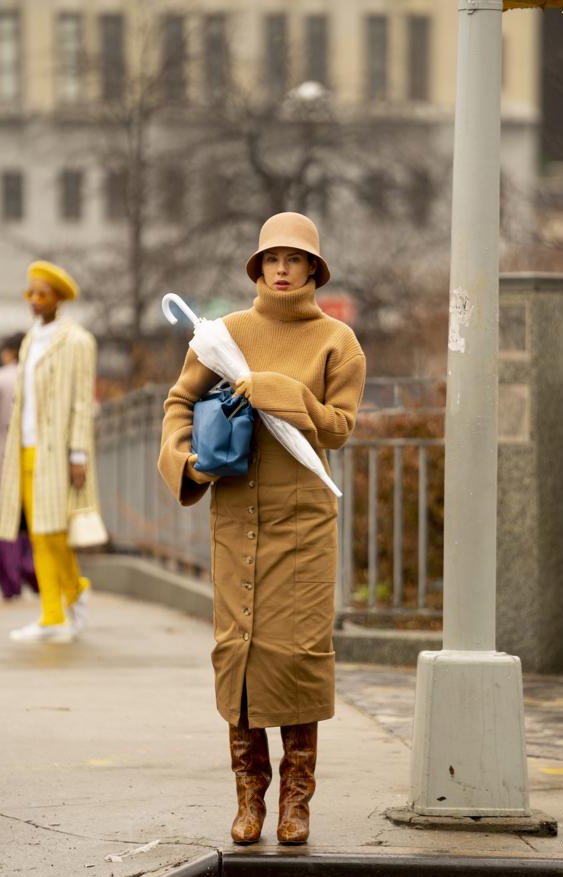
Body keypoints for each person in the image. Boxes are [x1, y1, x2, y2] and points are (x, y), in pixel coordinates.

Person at [158, 212, 366, 845]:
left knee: (299, 657)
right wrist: (188, 460)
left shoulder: (338, 341)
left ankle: (296, 805)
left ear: (312, 269)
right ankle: (249, 799)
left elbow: (338, 428)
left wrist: (281, 391)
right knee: (239, 654)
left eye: (294, 259)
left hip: (303, 521)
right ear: (257, 267)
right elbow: (178, 405)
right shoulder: (222, 335)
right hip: (236, 516)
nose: (281, 269)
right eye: (271, 259)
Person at [0, 260, 102, 643]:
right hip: (24, 449)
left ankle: (73, 591)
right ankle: (52, 615)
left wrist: (78, 455)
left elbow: (80, 403)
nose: (34, 301)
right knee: (36, 535)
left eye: (42, 294)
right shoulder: (29, 341)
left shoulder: (77, 340)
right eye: (30, 293)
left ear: (59, 298)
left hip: (55, 452)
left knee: (55, 532)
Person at [0, 333, 38, 600]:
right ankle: (33, 571)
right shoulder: (40, 376)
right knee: (32, 520)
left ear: (8, 352)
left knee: (2, 521)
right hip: (36, 456)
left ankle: (12, 582)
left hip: (1, 457)